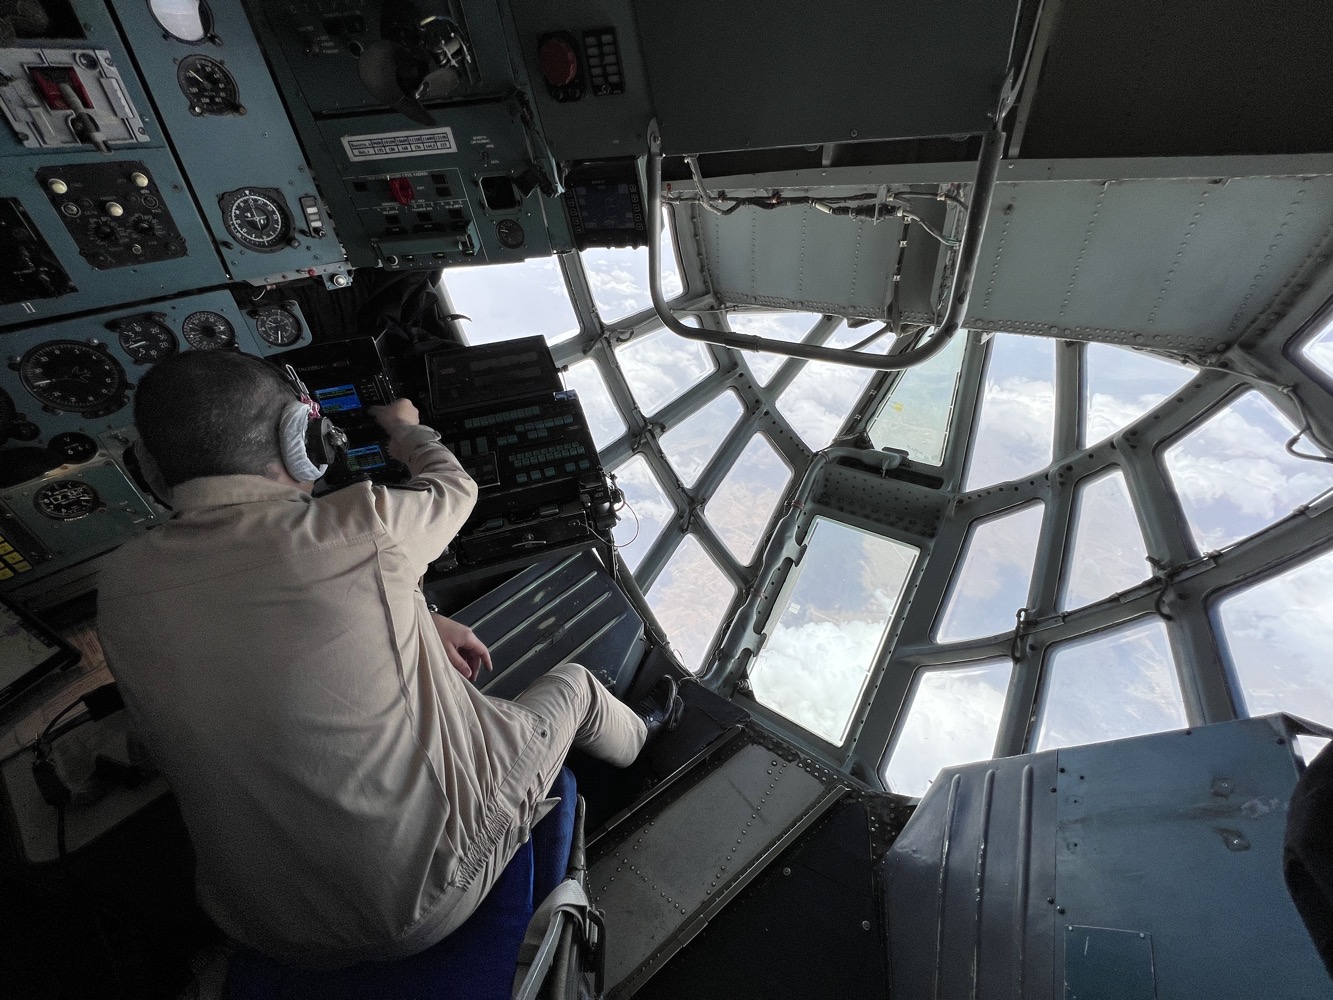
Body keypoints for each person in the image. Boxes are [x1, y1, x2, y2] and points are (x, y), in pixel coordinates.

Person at [97, 350, 679, 970]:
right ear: (305, 441)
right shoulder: (360, 526)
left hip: (250, 919)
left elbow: (270, 618)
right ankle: (646, 735)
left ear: (152, 474)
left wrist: (423, 616)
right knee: (578, 687)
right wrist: (404, 428)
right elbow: (456, 487)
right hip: (416, 902)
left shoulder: (122, 584)